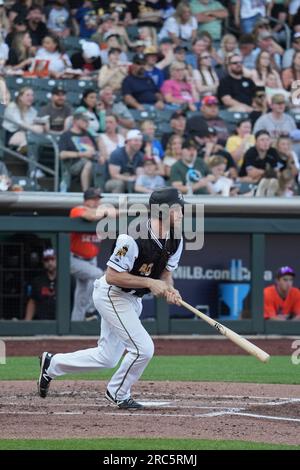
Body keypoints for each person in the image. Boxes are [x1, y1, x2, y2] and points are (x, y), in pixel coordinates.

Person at [37, 187, 184, 408]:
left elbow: (165, 274)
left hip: (133, 300)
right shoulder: (131, 237)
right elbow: (113, 276)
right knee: (143, 349)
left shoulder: (177, 238)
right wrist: (149, 282)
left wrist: (170, 289)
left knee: (107, 358)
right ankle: (118, 392)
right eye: (177, 208)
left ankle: (52, 364)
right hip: (112, 295)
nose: (182, 213)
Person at [70, 187, 117, 321]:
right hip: (74, 258)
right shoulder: (77, 210)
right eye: (94, 199)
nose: (97, 202)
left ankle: (76, 323)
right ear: (86, 201)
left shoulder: (101, 213)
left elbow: (115, 213)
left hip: (91, 259)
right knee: (98, 275)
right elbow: (89, 216)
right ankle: (90, 311)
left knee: (80, 295)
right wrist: (104, 212)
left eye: (98, 200)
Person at [25, 249, 57, 320]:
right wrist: (27, 323)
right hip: (42, 325)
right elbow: (32, 301)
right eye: (46, 260)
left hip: (62, 326)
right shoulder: (37, 281)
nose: (50, 262)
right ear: (43, 262)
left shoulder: (67, 280)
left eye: (52, 259)